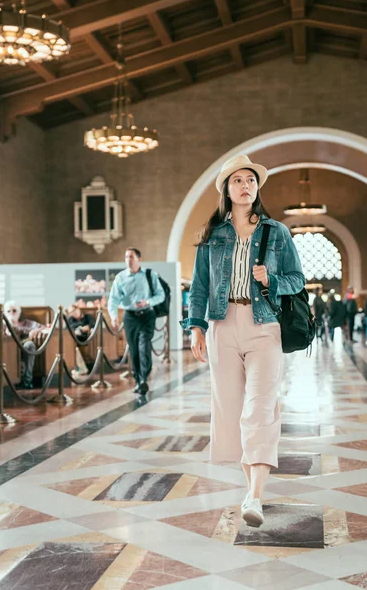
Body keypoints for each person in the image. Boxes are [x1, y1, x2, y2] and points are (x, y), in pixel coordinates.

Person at [180, 155, 305, 528]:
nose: (245, 185)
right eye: (238, 180)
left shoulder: (276, 232)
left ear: (257, 188)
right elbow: (199, 286)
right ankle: (250, 485)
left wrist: (272, 281)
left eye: (251, 179)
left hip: (264, 325)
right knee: (233, 410)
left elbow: (297, 279)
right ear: (227, 189)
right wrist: (195, 327)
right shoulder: (213, 235)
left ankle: (255, 495)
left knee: (260, 408)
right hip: (222, 326)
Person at [108, 247, 165, 396]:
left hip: (147, 315)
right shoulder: (120, 277)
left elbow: (161, 295)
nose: (128, 260)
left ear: (139, 259)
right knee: (133, 350)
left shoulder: (149, 274)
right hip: (130, 317)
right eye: (126, 257)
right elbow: (113, 299)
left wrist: (147, 302)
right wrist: (113, 316)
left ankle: (143, 379)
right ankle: (138, 379)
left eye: (131, 257)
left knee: (143, 345)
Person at [4, 300, 48, 389]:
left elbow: (44, 327)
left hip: (24, 343)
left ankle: (27, 381)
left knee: (30, 345)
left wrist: (35, 331)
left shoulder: (27, 323)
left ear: (19, 312)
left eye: (14, 310)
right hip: (7, 346)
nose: (11, 313)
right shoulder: (2, 324)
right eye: (8, 311)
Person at [65, 304, 96, 375]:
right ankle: (77, 368)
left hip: (84, 338)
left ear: (78, 309)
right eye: (71, 312)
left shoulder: (88, 317)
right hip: (73, 338)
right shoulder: (70, 320)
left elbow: (93, 325)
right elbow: (67, 329)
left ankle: (81, 368)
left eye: (74, 310)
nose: (74, 313)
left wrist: (86, 328)